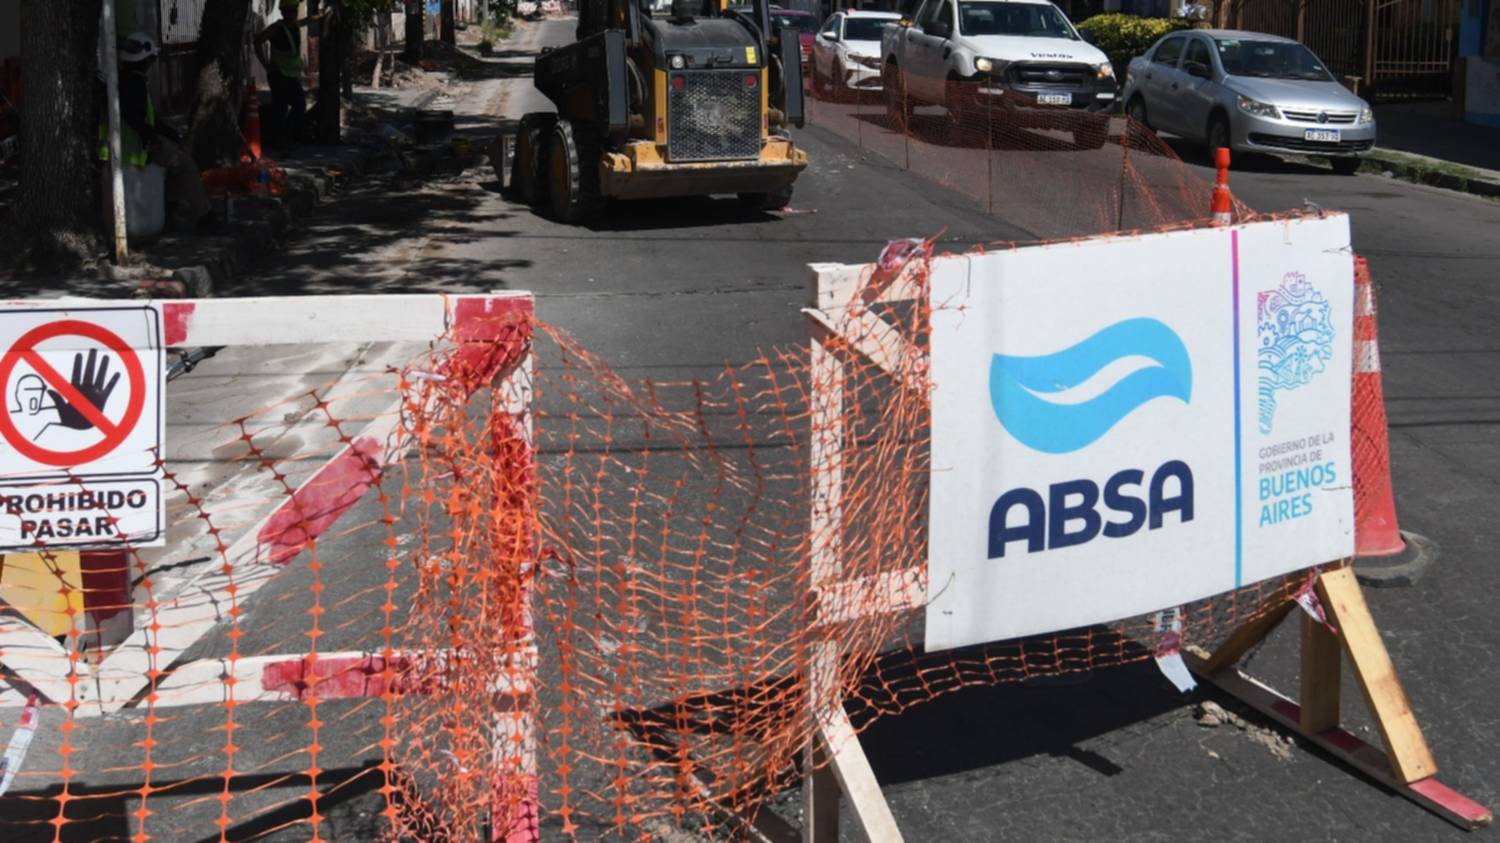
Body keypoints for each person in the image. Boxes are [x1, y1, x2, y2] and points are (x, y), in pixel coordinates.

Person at [100, 32, 214, 232]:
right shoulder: (134, 84)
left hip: (122, 146)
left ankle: (169, 209)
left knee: (175, 163)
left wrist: (170, 133)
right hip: (136, 147)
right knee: (186, 165)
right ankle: (205, 216)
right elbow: (133, 118)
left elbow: (147, 117)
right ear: (146, 60)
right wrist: (152, 137)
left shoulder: (120, 79)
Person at [255, 0, 335, 150]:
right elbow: (258, 41)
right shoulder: (277, 28)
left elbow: (307, 20)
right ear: (283, 12)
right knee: (280, 108)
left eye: (294, 11)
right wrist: (265, 64)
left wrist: (322, 15)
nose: (291, 14)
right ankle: (280, 141)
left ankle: (285, 135)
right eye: (288, 11)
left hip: (291, 75)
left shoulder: (294, 25)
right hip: (278, 74)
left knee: (299, 105)